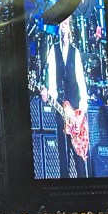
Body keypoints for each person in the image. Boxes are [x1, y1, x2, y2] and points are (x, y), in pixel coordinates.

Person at [40, 17, 90, 179]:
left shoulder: (75, 53)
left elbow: (81, 83)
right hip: (61, 110)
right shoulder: (53, 50)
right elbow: (52, 81)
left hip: (75, 111)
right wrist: (48, 95)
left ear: (70, 29)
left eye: (66, 24)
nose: (63, 27)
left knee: (78, 156)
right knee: (63, 154)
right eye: (61, 24)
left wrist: (81, 111)